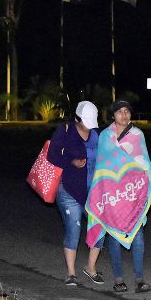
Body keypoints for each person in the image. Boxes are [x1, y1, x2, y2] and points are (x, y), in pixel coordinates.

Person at [85, 100, 151, 293]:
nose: (124, 115)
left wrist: (140, 178)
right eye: (119, 112)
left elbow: (145, 164)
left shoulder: (138, 135)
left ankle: (140, 279)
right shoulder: (105, 136)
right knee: (114, 236)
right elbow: (103, 166)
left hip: (132, 193)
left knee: (138, 236)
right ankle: (118, 279)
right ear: (113, 115)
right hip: (113, 193)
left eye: (127, 111)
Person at [46, 101, 104, 286]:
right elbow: (52, 155)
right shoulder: (65, 131)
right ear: (78, 118)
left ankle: (90, 267)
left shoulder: (96, 134)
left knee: (100, 227)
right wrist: (71, 161)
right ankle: (71, 273)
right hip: (69, 189)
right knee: (74, 228)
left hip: (92, 191)